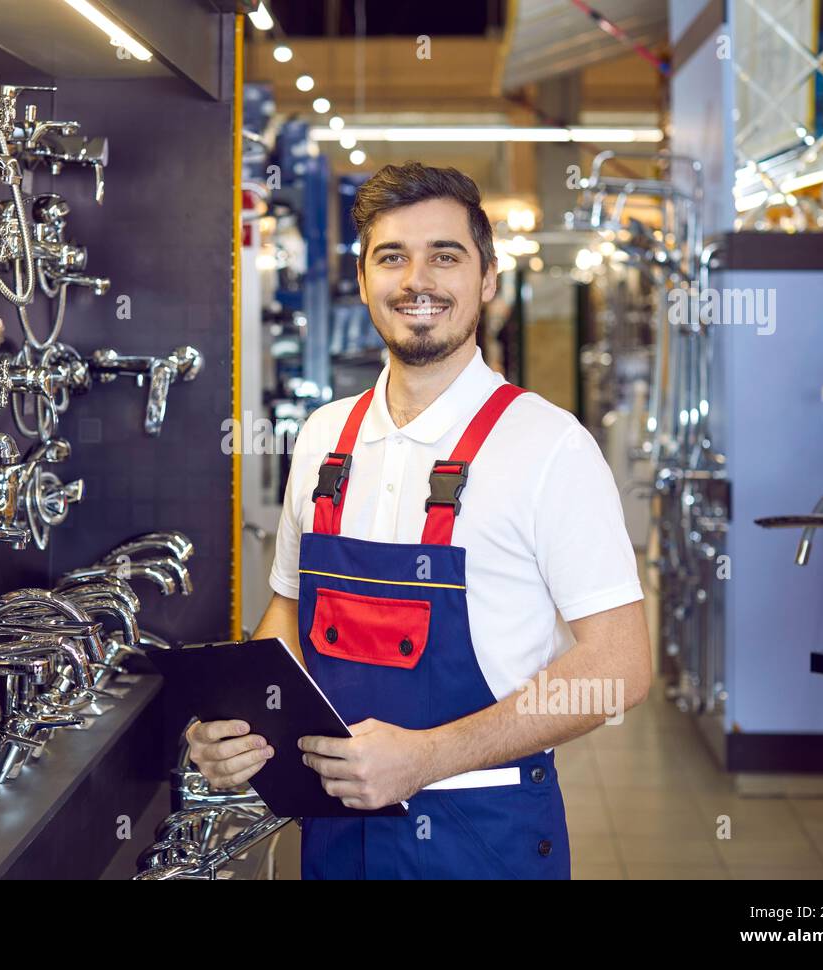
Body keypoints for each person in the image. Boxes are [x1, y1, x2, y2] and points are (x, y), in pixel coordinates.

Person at [189, 161, 650, 879]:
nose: (417, 281)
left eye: (445, 256)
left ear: (487, 279)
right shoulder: (323, 438)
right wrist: (247, 727)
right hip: (335, 828)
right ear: (366, 280)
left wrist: (427, 757)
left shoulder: (550, 446)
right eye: (392, 257)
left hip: (483, 834)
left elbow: (618, 668)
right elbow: (289, 611)